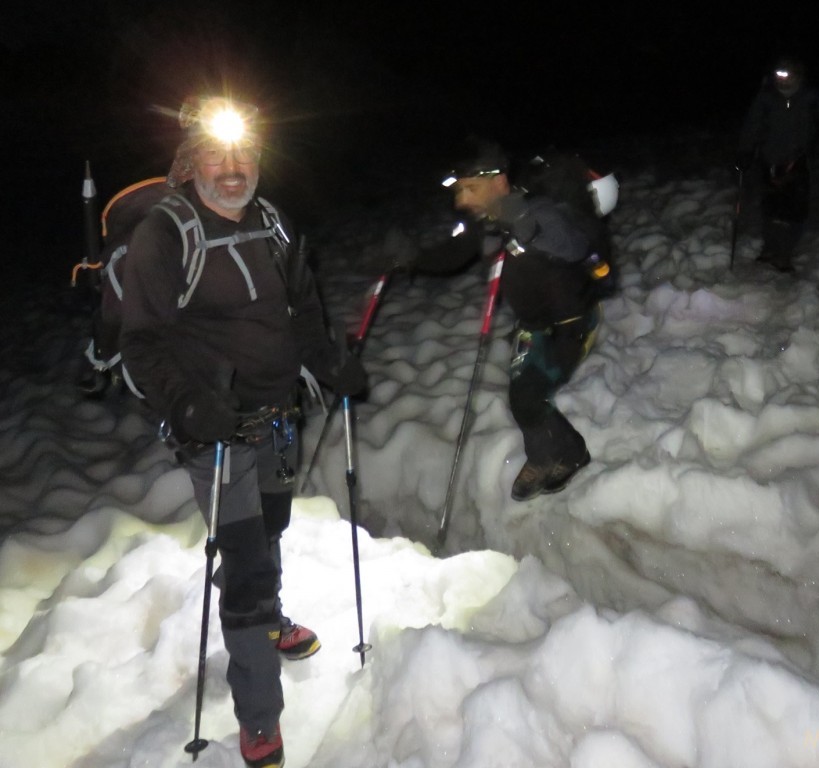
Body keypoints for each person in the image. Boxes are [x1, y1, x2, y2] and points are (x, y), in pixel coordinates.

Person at [119, 95, 367, 768]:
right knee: (247, 568)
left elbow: (304, 314)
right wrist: (189, 405)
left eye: (244, 154)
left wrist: (331, 363)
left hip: (278, 419)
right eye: (216, 154)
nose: (232, 168)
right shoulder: (166, 234)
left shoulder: (272, 223)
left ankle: (271, 621)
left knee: (270, 535)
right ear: (190, 160)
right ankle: (260, 716)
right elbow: (140, 344)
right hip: (218, 437)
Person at [385, 138, 603, 502]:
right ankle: (546, 455)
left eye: (470, 189)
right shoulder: (486, 223)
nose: (461, 201)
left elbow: (574, 245)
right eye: (458, 191)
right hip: (532, 324)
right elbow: (455, 252)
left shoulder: (539, 209)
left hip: (571, 322)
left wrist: (526, 224)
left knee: (529, 395)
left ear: (499, 181)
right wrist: (413, 257)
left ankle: (572, 454)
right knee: (523, 396)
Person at [736, 55, 819, 272]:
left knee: (794, 209)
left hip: (798, 161)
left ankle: (785, 253)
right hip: (769, 160)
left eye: (787, 76)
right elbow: (752, 125)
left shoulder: (811, 97)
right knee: (771, 206)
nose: (782, 81)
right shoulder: (766, 98)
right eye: (778, 75)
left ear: (798, 76)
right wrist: (745, 150)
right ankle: (770, 248)